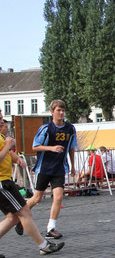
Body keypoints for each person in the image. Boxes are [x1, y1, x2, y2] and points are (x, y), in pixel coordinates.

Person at [0, 114, 64, 258]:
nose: (3, 122)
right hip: (3, 183)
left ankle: (44, 245)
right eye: (0, 119)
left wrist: (17, 159)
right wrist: (9, 146)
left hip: (5, 181)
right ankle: (44, 245)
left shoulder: (2, 138)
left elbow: (6, 153)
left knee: (13, 218)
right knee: (24, 213)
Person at [20, 100, 77, 240]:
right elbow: (35, 146)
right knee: (36, 198)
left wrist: (73, 165)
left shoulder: (70, 128)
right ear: (52, 112)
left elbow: (72, 147)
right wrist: (52, 148)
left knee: (58, 197)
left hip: (59, 168)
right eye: (58, 110)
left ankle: (51, 228)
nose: (61, 113)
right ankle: (19, 218)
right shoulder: (45, 129)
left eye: (63, 110)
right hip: (45, 167)